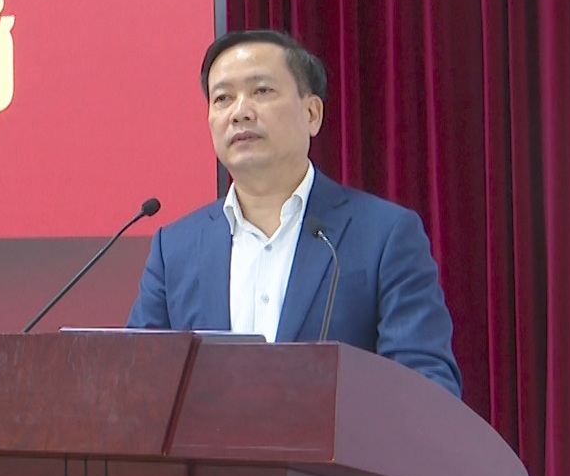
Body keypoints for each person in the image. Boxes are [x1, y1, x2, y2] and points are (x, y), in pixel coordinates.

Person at [126, 29, 461, 396]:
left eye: (261, 91)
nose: (240, 112)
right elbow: (137, 386)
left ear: (312, 113)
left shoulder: (384, 235)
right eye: (223, 98)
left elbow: (426, 388)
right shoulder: (175, 249)